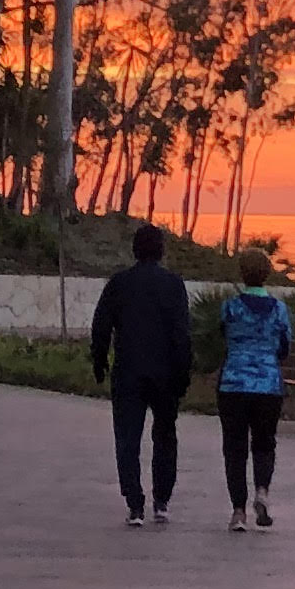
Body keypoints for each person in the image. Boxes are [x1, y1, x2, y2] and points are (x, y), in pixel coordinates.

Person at [87, 224, 196, 526]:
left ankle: (135, 504)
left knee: (127, 438)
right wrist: (184, 372)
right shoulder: (173, 285)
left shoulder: (119, 283)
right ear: (161, 250)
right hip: (165, 374)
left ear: (135, 249)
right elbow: (181, 334)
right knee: (165, 435)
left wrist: (99, 360)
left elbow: (101, 326)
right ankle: (162, 500)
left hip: (129, 371)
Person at [213, 247, 293, 532]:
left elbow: (224, 336)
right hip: (268, 385)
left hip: (234, 383)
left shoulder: (231, 307)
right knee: (264, 443)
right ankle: (262, 491)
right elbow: (284, 348)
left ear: (242, 274)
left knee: (234, 449)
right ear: (267, 274)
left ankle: (238, 512)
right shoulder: (280, 310)